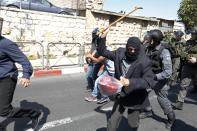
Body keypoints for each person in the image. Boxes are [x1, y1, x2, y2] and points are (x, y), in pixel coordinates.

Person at [96, 29, 156, 131]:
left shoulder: (144, 61)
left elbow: (149, 81)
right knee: (112, 122)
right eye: (130, 49)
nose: (132, 51)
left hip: (135, 97)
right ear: (126, 47)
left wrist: (130, 82)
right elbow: (102, 51)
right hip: (120, 95)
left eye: (135, 50)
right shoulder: (119, 53)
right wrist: (103, 38)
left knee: (133, 124)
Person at [0, 19, 42, 131]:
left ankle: (33, 113)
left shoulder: (5, 44)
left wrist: (26, 75)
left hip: (7, 77)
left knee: (4, 111)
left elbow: (24, 61)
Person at [145, 29, 175, 129]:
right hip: (149, 77)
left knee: (162, 99)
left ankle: (171, 119)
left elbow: (167, 72)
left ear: (154, 40)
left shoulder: (164, 52)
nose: (147, 39)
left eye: (149, 38)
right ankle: (148, 111)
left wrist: (155, 77)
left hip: (160, 79)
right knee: (142, 93)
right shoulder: (148, 48)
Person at [173, 27, 197, 110]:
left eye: (193, 34)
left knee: (195, 80)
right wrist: (188, 57)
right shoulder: (189, 42)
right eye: (191, 33)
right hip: (188, 65)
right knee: (183, 84)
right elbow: (183, 52)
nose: (191, 35)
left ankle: (195, 86)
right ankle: (180, 102)